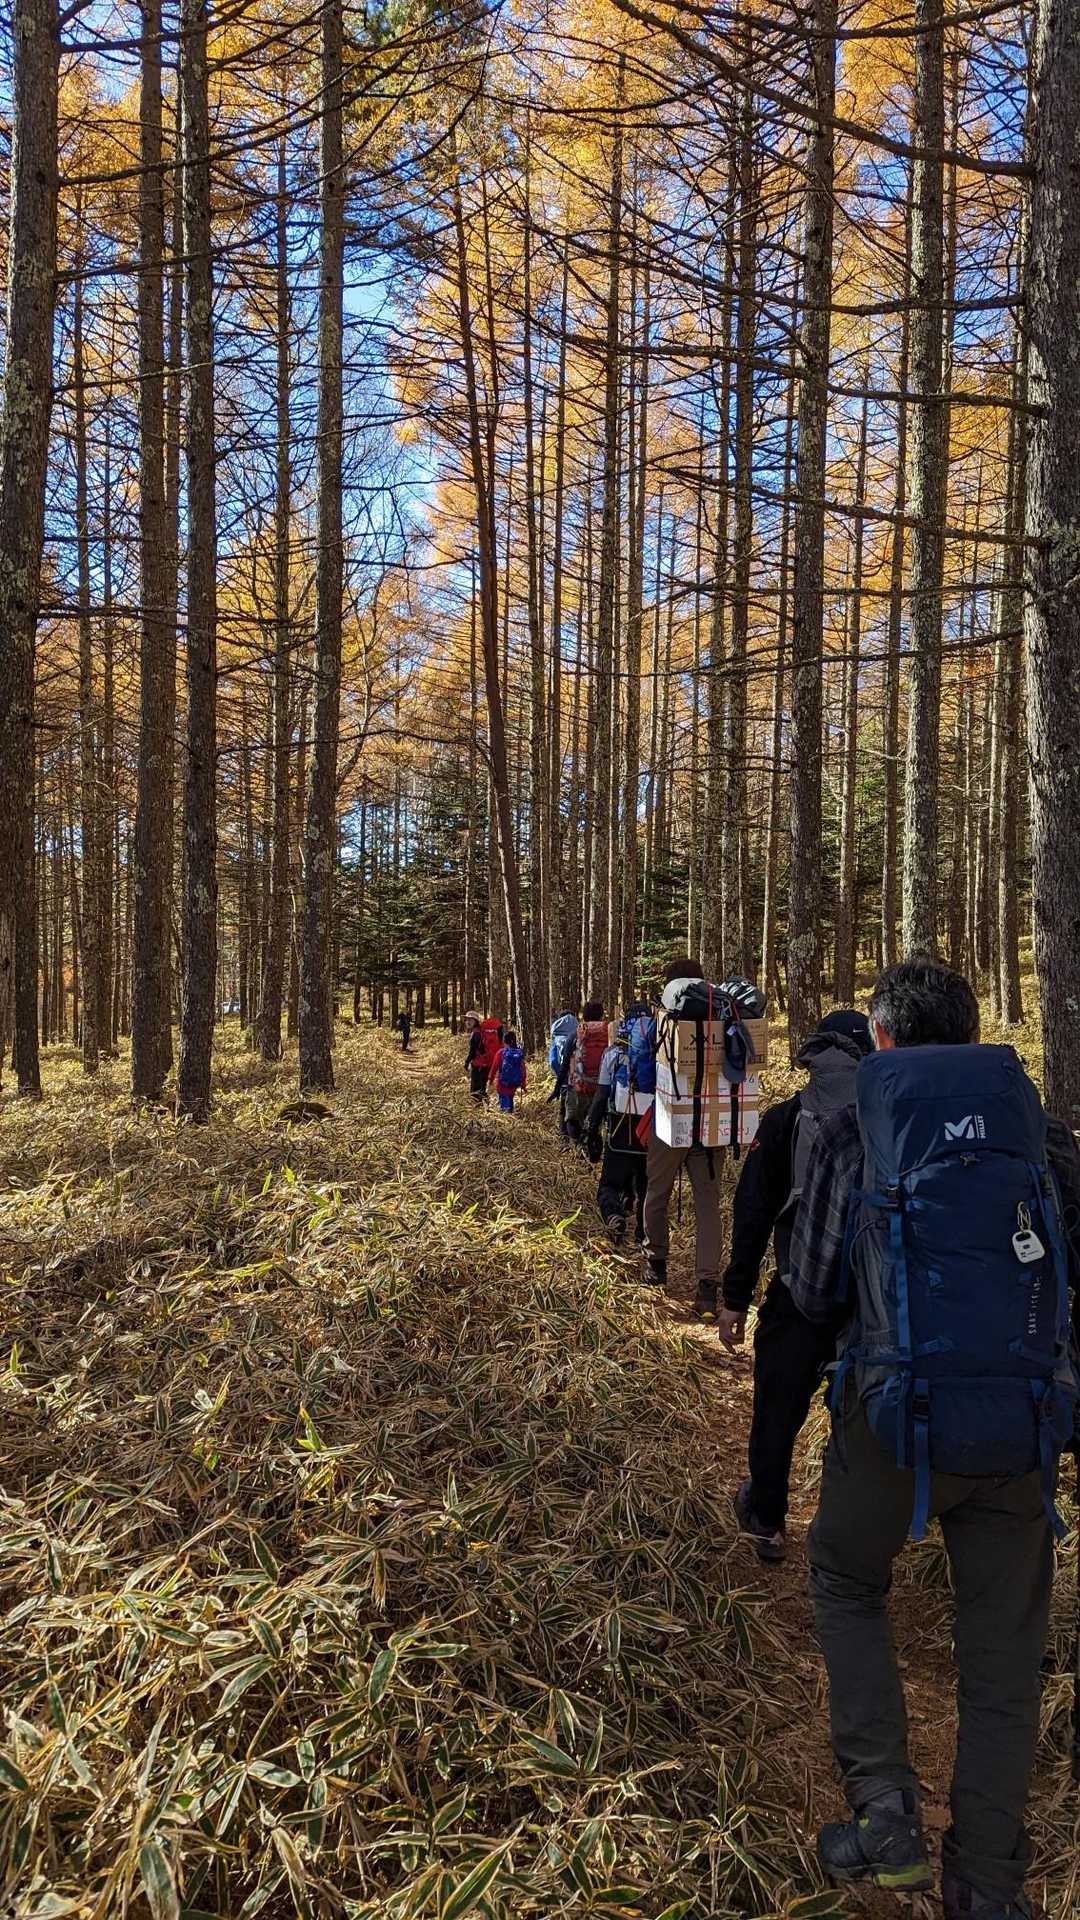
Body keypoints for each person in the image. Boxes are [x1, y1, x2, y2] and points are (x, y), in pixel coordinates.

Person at [790, 958, 1080, 1919]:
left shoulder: (851, 1127)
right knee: (1003, 1654)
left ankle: (884, 1812)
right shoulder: (1038, 1133)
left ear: (880, 1038)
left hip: (888, 1419)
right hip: (1019, 1425)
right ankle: (987, 1880)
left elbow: (813, 1286)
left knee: (845, 1577)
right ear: (975, 1031)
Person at [717, 1008, 873, 1563]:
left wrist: (735, 1298)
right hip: (877, 1304)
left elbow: (753, 1211)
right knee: (865, 1416)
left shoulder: (786, 1119)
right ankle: (854, 1534)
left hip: (799, 1290)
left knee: (778, 1406)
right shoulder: (890, 1119)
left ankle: (766, 1519)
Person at [641, 956, 723, 1311]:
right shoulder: (721, 1014)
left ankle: (656, 1264)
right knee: (708, 1205)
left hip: (669, 1119)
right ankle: (707, 1286)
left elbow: (646, 1072)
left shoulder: (662, 1019)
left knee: (656, 1193)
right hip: (713, 1122)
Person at [585, 1002, 653, 1245]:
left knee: (609, 1183)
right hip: (649, 1128)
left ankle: (613, 1214)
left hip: (619, 1127)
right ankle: (644, 1231)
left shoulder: (612, 1053)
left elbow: (602, 1095)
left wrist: (591, 1128)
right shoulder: (658, 1053)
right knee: (646, 1183)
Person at [565, 1002, 607, 1145]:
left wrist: (560, 1086)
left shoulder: (576, 1034)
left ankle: (579, 1146)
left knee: (573, 1117)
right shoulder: (608, 1034)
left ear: (584, 1016)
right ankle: (594, 1147)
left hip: (579, 1085)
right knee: (597, 1121)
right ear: (601, 1016)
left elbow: (566, 1061)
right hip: (602, 1087)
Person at [549, 1007, 580, 1142]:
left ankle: (563, 1137)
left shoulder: (556, 1037)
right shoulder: (579, 1033)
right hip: (580, 1077)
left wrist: (559, 1076)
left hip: (564, 1078)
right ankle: (577, 1139)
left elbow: (553, 1060)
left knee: (563, 1106)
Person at [465, 1014, 502, 1101]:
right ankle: (484, 1105)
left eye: (471, 1020)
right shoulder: (481, 1031)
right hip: (487, 1064)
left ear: (476, 1021)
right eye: (466, 1020)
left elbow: (472, 1051)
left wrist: (467, 1062)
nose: (468, 1022)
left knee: (475, 1091)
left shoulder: (476, 1033)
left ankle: (479, 1106)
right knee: (482, 1088)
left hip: (478, 1065)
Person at [489, 1029, 527, 1113]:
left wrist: (490, 1080)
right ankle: (511, 1114)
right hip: (514, 1083)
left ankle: (507, 1117)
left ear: (504, 1041)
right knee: (510, 1099)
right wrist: (523, 1084)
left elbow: (494, 1068)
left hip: (502, 1084)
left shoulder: (501, 1053)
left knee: (504, 1106)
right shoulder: (519, 1053)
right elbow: (523, 1070)